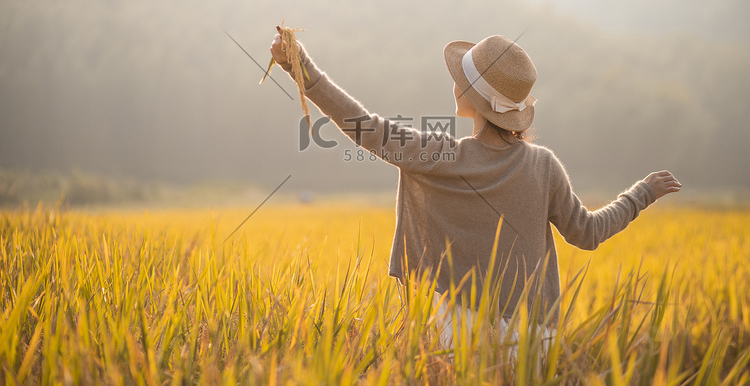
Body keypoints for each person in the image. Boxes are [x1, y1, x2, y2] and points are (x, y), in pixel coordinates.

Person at [269, 32, 681, 350]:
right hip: (534, 343)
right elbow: (587, 233)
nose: (454, 85)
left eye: (459, 80)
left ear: (469, 96)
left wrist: (300, 66)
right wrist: (641, 194)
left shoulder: (439, 154)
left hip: (456, 339)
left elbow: (363, 126)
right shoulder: (544, 166)